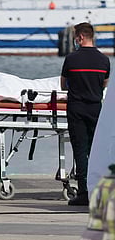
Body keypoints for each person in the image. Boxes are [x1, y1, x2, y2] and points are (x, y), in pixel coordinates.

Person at [60, 22, 110, 206]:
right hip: (96, 108)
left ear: (80, 37)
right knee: (96, 151)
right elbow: (104, 84)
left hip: (77, 108)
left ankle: (83, 192)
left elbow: (63, 85)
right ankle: (99, 191)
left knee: (80, 151)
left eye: (75, 37)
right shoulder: (104, 60)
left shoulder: (71, 59)